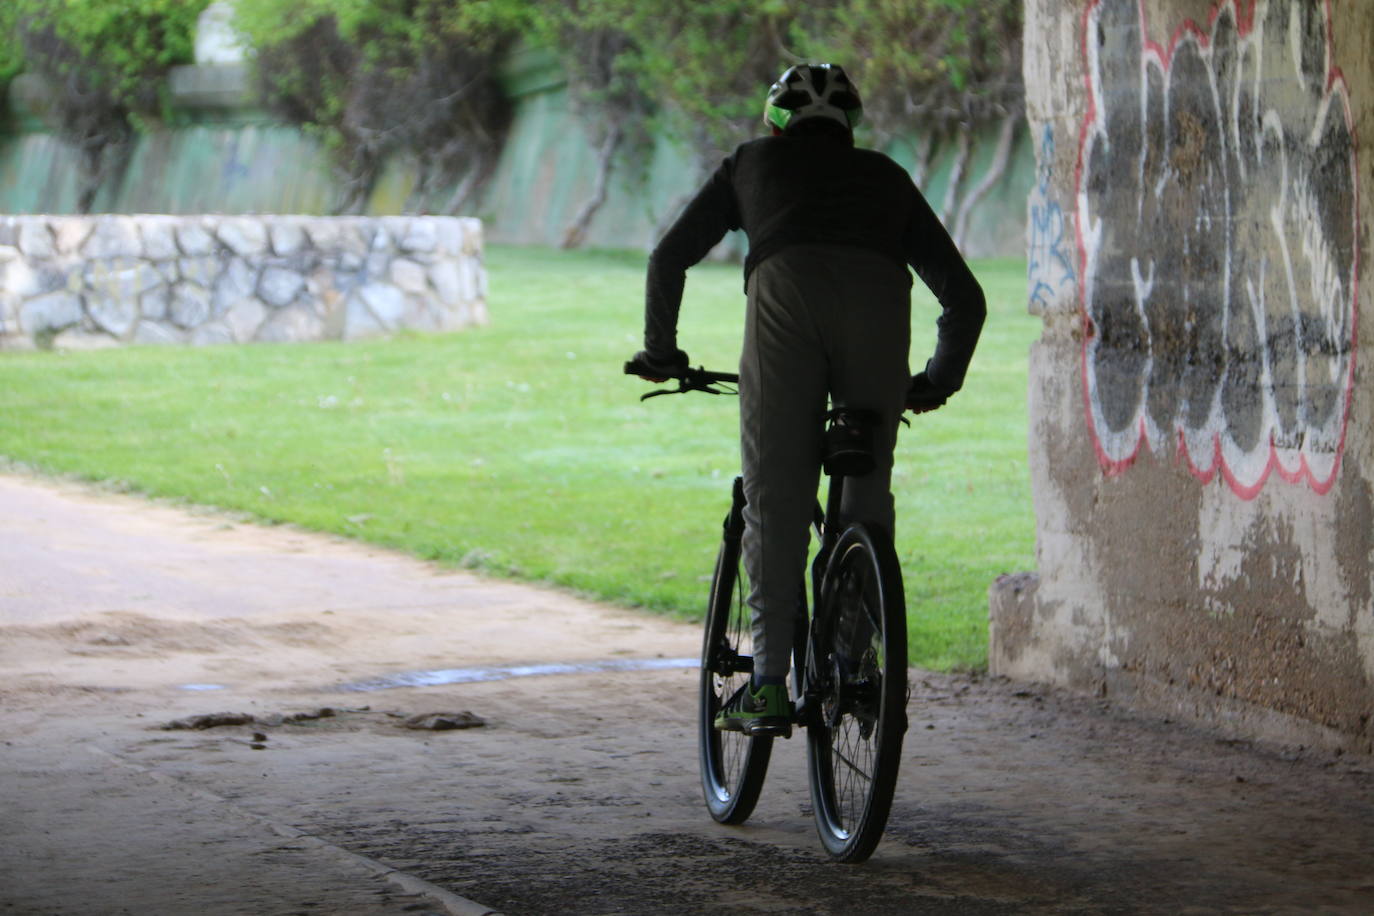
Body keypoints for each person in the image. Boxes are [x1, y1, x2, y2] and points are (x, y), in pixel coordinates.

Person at [630, 63, 985, 736]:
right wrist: (937, 380)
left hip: (786, 303)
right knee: (865, 495)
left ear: (775, 122)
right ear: (850, 127)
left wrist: (661, 352)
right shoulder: (887, 177)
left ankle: (765, 685)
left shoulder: (749, 163)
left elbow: (668, 257)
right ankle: (854, 666)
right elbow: (964, 298)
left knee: (777, 496)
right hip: (878, 314)